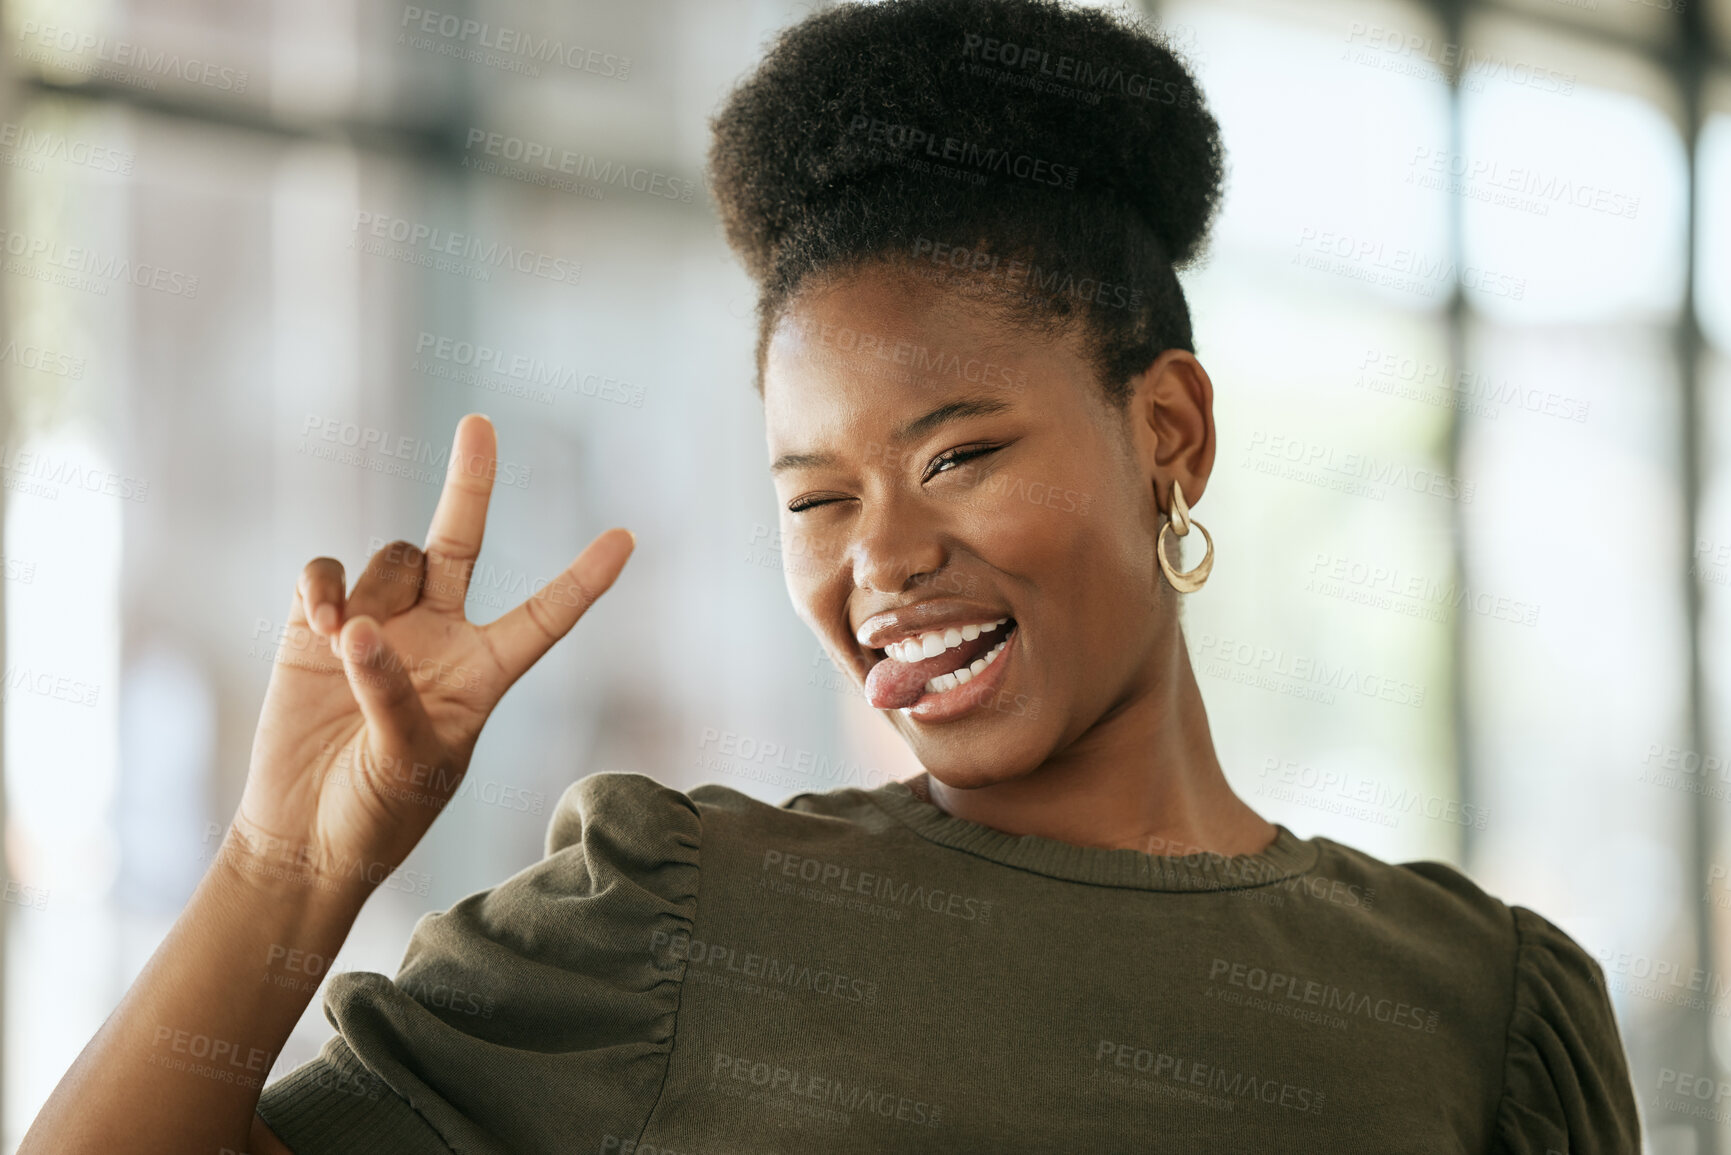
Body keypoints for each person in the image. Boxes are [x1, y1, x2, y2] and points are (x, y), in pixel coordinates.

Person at [24, 0, 1641, 1151]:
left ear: (1169, 430)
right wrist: (280, 868)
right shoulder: (675, 927)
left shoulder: (1481, 1008)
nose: (880, 558)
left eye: (957, 456)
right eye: (815, 496)